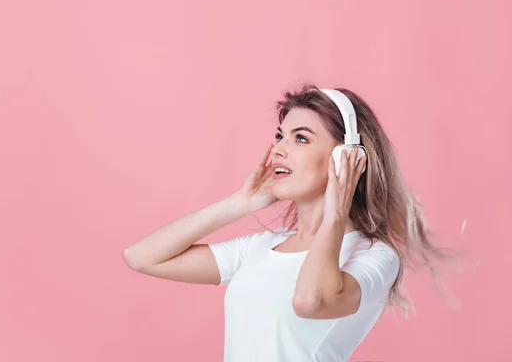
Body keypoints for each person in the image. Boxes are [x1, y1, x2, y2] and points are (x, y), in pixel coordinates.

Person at [123, 84, 460, 361]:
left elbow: (310, 301)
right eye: (280, 136)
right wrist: (238, 204)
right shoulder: (263, 246)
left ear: (347, 157)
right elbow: (142, 257)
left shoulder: (375, 256)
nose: (279, 150)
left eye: (300, 138)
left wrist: (335, 212)